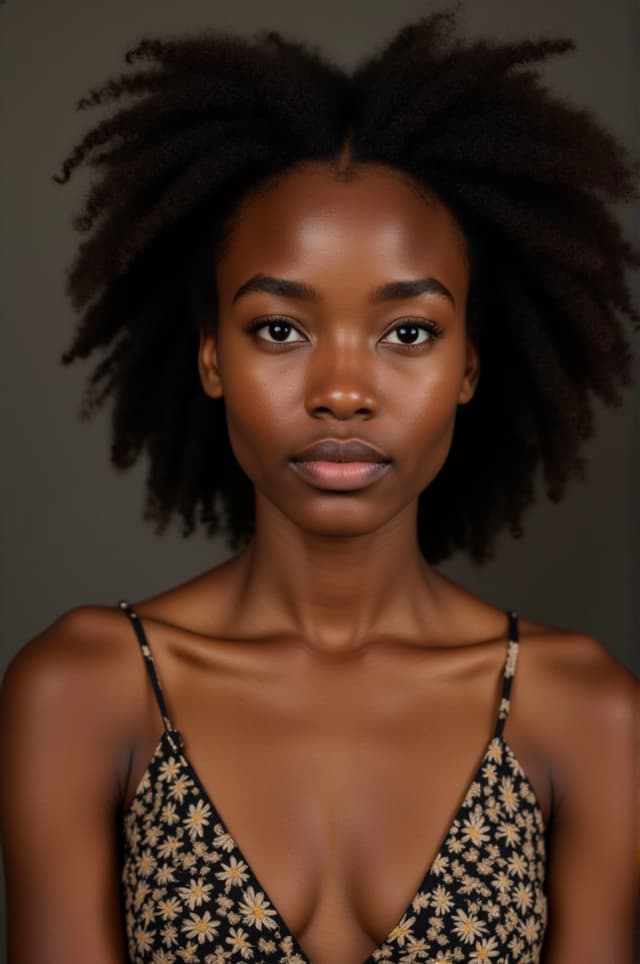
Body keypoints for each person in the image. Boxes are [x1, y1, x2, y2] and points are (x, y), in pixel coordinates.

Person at [0, 9, 638, 963]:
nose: (342, 391)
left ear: (471, 366)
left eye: (409, 333)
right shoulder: (88, 692)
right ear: (212, 357)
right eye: (280, 330)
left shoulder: (584, 711)